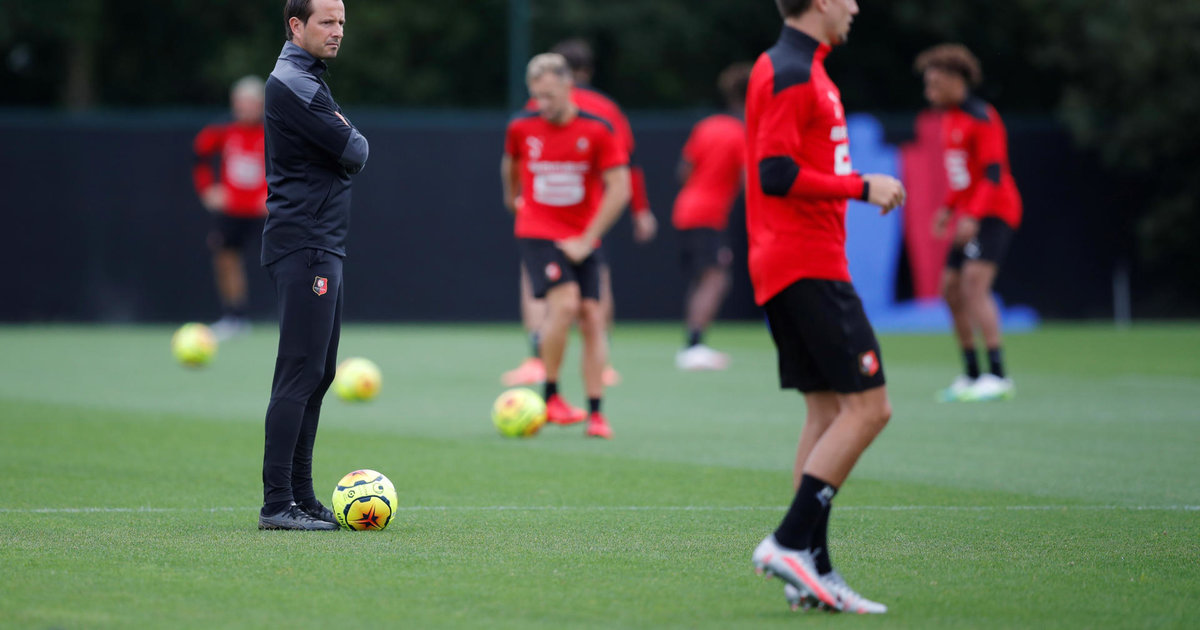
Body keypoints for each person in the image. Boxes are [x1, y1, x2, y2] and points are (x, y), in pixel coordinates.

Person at [745, 0, 906, 613]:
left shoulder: (800, 67)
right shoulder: (789, 70)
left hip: (790, 264)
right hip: (805, 263)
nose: (855, 6)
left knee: (826, 413)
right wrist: (861, 185)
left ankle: (811, 572)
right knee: (870, 409)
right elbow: (775, 173)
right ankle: (788, 543)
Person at [258, 0, 368, 530]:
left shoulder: (309, 79)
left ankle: (300, 496)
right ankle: (277, 503)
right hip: (305, 246)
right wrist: (347, 141)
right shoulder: (292, 82)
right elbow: (355, 148)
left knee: (319, 374)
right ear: (295, 25)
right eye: (327, 21)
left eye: (342, 22)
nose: (337, 31)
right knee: (299, 372)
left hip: (321, 243)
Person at [501, 38, 653, 388]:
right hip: (589, 213)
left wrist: (516, 200)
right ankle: (604, 359)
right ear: (587, 70)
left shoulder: (539, 103)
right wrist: (641, 211)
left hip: (548, 214)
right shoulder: (607, 108)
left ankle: (534, 359)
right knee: (598, 287)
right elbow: (630, 166)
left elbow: (518, 158)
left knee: (536, 285)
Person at [916, 44, 1022, 403]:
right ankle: (972, 373)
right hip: (970, 213)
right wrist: (948, 208)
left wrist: (973, 216)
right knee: (950, 289)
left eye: (935, 83)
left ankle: (998, 375)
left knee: (975, 286)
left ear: (956, 81)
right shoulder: (949, 120)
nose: (929, 91)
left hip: (995, 212)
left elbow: (993, 175)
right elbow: (964, 178)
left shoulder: (982, 117)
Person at [671, 62, 751, 371]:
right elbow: (748, 183)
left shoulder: (707, 126)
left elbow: (683, 171)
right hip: (709, 214)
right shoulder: (742, 133)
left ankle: (693, 343)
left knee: (706, 277)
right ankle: (693, 346)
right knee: (716, 278)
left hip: (686, 209)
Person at [192, 76, 268, 340]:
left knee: (286, 262)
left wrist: (274, 197)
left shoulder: (274, 132)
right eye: (241, 102)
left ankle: (296, 317)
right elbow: (200, 155)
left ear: (261, 104)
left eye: (252, 102)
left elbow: (294, 167)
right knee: (225, 259)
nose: (246, 108)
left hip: (265, 212)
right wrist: (207, 190)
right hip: (232, 210)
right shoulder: (223, 130)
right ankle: (234, 317)